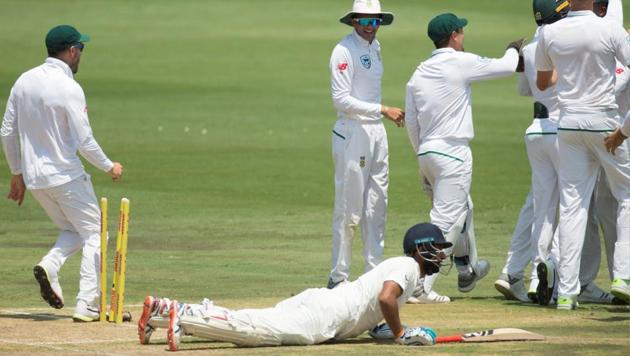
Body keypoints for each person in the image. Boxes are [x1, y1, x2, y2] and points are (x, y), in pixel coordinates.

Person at [137, 223, 452, 351]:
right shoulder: (409, 267)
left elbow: (378, 307)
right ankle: (185, 316)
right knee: (255, 332)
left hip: (324, 304)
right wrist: (400, 335)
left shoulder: (403, 269)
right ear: (421, 248)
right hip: (326, 316)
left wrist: (387, 329)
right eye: (437, 247)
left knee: (253, 319)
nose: (441, 254)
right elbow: (385, 298)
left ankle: (161, 312)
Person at [0, 25, 123, 321]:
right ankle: (87, 304)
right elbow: (84, 141)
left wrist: (17, 173)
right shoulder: (69, 87)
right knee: (96, 233)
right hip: (66, 176)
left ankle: (50, 265)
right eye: (81, 49)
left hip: (35, 179)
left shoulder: (24, 81)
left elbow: (6, 131)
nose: (81, 54)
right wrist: (109, 165)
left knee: (74, 229)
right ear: (71, 51)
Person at [404, 12, 522, 303]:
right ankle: (421, 285)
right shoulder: (459, 62)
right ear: (454, 36)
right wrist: (513, 48)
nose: (464, 36)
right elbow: (507, 67)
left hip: (427, 153)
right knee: (447, 221)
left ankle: (467, 267)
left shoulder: (419, 72)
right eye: (462, 32)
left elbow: (411, 122)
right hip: (453, 152)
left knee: (463, 208)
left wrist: (423, 153)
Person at [535, 0, 630, 309]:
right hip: (604, 123)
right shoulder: (610, 28)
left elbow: (542, 81)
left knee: (573, 205)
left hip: (569, 124)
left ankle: (566, 292)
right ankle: (623, 275)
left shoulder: (550, 32)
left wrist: (572, 69)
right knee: (627, 195)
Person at [327, 0, 405, 290]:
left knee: (377, 205)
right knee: (349, 210)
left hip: (375, 132)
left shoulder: (375, 47)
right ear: (354, 21)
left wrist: (380, 115)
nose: (372, 27)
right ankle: (338, 278)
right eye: (366, 21)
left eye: (376, 22)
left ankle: (374, 275)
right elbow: (341, 100)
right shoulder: (343, 51)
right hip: (353, 131)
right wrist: (382, 109)